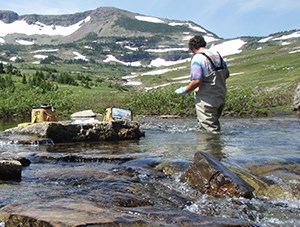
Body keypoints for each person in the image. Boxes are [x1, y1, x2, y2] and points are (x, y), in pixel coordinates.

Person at [175, 35, 230, 133]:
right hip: (220, 97)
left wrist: (185, 90)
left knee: (210, 131)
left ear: (192, 48)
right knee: (211, 126)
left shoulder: (198, 58)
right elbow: (226, 75)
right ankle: (212, 147)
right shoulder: (218, 55)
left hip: (207, 100)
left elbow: (197, 81)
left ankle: (210, 148)